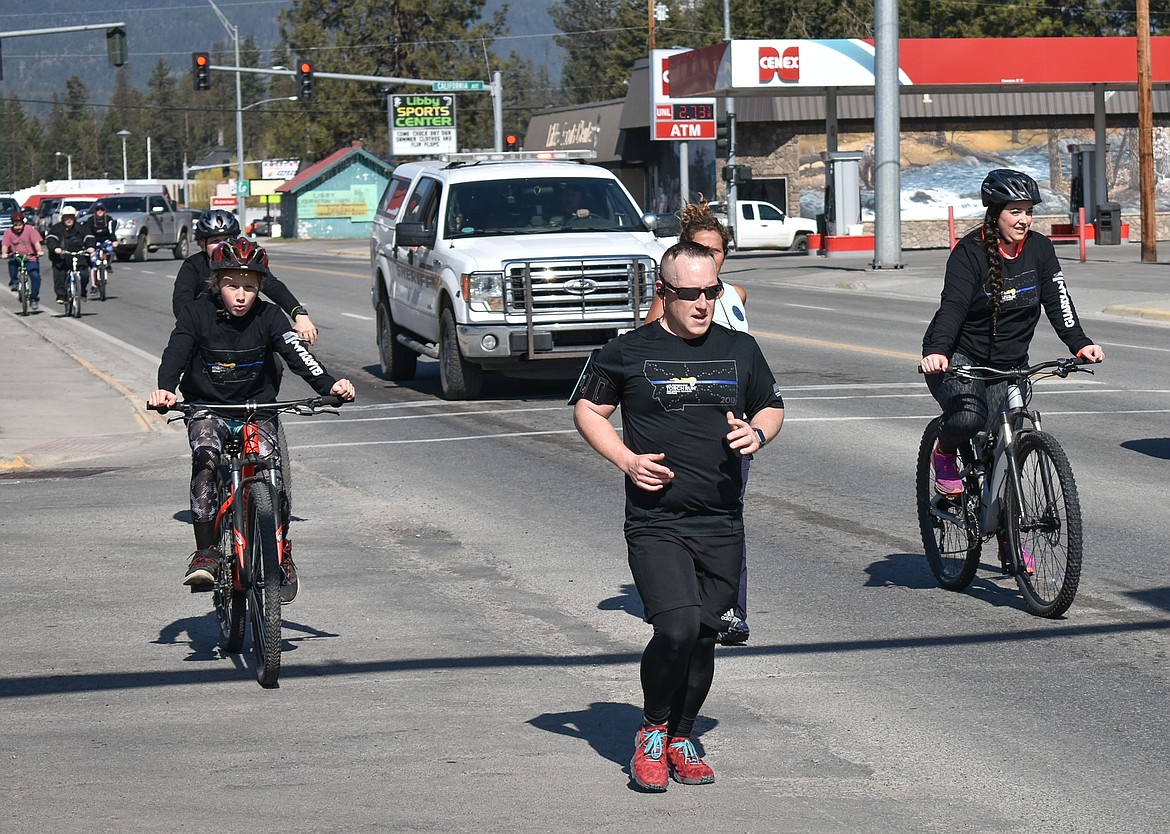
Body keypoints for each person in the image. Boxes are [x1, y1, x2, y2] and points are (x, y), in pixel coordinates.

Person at [572, 241, 785, 791]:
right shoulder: (626, 351)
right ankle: (653, 729)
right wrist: (625, 458)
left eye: (710, 292)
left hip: (720, 518)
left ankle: (684, 735)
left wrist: (757, 431)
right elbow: (587, 410)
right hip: (656, 519)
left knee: (706, 635)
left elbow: (773, 404)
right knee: (676, 627)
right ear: (662, 293)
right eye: (688, 294)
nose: (701, 304)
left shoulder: (741, 349)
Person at [148, 237, 355, 593]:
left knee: (271, 474)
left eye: (249, 287)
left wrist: (329, 385)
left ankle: (280, 552)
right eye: (231, 286)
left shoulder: (270, 316)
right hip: (207, 408)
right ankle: (206, 552)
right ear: (217, 285)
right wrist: (166, 388)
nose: (241, 296)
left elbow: (297, 354)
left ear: (260, 288)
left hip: (257, 409)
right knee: (206, 462)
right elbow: (175, 353)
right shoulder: (196, 314)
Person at [920, 168, 1103, 570]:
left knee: (1012, 449)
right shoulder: (969, 253)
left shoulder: (1039, 250)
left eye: (1028, 212)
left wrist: (1080, 343)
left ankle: (1008, 540)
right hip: (960, 356)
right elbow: (951, 308)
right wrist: (938, 352)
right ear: (995, 213)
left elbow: (1058, 300)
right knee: (970, 417)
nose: (1023, 220)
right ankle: (945, 454)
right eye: (1014, 212)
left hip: (1011, 364)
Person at [645, 199, 750, 645]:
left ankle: (731, 608)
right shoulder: (667, 303)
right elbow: (651, 354)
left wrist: (756, 421)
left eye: (719, 251)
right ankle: (690, 598)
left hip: (733, 422)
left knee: (730, 514)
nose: (713, 257)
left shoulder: (737, 296)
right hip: (689, 423)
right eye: (703, 249)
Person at [172, 210, 319, 345]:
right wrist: (195, 328)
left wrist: (300, 315)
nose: (222, 245)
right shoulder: (193, 265)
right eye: (215, 241)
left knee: (274, 365)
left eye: (227, 239)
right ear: (202, 245)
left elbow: (274, 287)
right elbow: (182, 300)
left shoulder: (246, 262)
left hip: (245, 330)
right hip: (207, 331)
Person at [44, 205, 89, 306]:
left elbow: (88, 237)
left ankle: (82, 292)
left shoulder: (81, 228)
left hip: (78, 256)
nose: (69, 220)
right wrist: (55, 248)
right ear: (62, 218)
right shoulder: (56, 228)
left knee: (84, 274)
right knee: (59, 275)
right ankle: (62, 296)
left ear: (74, 217)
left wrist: (90, 246)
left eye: (71, 217)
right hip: (61, 257)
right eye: (66, 217)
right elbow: (51, 238)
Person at [2, 212, 45, 311]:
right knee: (12, 263)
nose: (18, 227)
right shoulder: (8, 232)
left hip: (30, 258)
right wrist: (4, 253)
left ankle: (34, 298)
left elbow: (36, 242)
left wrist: (39, 251)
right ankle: (14, 282)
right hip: (16, 257)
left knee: (35, 277)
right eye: (15, 225)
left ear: (23, 223)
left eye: (20, 225)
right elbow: (5, 245)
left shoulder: (30, 230)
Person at [83, 202, 118, 296]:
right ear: (95, 211)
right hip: (94, 241)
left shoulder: (109, 219)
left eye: (101, 210)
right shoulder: (90, 220)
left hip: (106, 239)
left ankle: (108, 265)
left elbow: (112, 232)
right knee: (94, 262)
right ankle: (94, 286)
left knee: (110, 249)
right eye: (98, 210)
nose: (100, 212)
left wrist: (114, 241)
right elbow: (88, 233)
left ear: (104, 211)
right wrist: (89, 245)